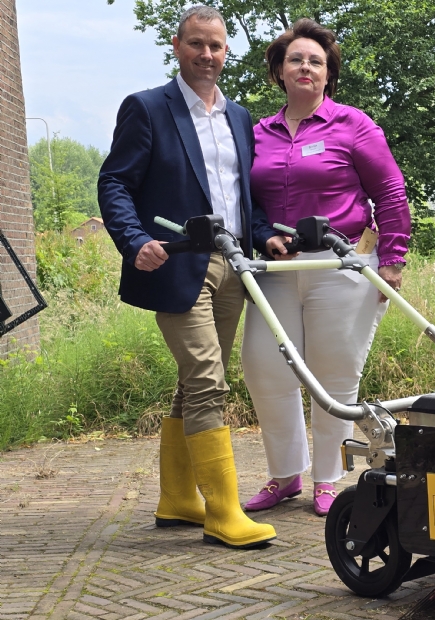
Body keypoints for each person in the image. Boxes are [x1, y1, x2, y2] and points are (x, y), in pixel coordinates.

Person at [98, 5, 286, 549]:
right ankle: (224, 512)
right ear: (177, 47)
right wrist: (135, 242)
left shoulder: (240, 117)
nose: (208, 55)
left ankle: (177, 498)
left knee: (195, 381)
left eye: (217, 46)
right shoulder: (147, 108)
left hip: (233, 266)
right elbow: (115, 183)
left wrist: (264, 233)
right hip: (178, 265)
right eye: (197, 44)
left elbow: (242, 197)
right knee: (207, 379)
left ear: (227, 52)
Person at [242, 18, 411, 516]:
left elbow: (391, 192)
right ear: (279, 70)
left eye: (315, 60)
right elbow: (246, 203)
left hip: (342, 266)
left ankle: (328, 478)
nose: (305, 67)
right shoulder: (257, 133)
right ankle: (284, 475)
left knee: (334, 373)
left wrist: (394, 260)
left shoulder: (353, 125)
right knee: (263, 366)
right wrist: (261, 236)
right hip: (275, 269)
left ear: (328, 73)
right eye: (295, 58)